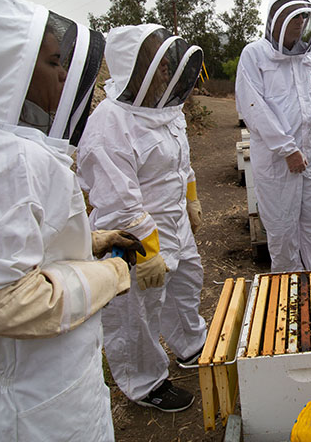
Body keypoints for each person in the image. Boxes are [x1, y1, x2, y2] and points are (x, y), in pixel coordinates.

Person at [0, 0, 143, 441]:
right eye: (53, 61)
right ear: (8, 68)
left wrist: (87, 243)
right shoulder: (11, 160)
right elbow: (5, 303)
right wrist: (111, 273)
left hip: (10, 385)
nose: (62, 75)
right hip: (44, 402)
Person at [76, 24, 208, 412]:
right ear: (134, 67)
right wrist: (148, 250)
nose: (166, 71)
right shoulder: (109, 122)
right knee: (137, 312)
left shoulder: (168, 110)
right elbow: (119, 201)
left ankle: (190, 344)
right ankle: (145, 382)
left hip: (176, 225)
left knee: (186, 284)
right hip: (135, 238)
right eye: (157, 62)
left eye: (167, 62)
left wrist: (192, 199)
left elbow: (180, 164)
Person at [235, 0, 311, 272]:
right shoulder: (254, 55)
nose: (300, 23)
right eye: (294, 18)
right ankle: (289, 292)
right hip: (277, 162)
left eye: (303, 18)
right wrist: (287, 149)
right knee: (282, 231)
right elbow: (253, 108)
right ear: (275, 20)